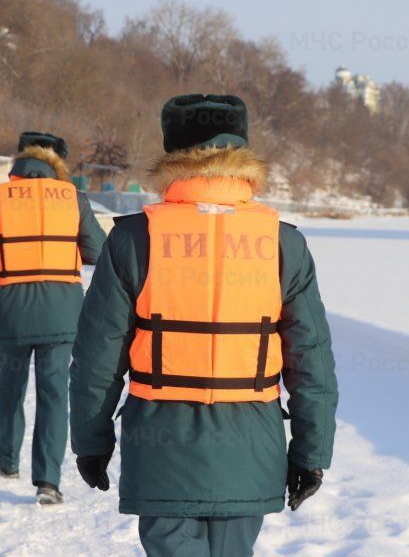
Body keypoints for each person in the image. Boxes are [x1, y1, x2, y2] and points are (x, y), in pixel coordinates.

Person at [69, 95, 338, 555]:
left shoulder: (133, 239)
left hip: (161, 449)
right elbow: (311, 360)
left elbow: (98, 357)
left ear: (172, 154)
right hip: (250, 447)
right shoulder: (282, 242)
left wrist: (91, 442)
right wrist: (311, 455)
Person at [0, 130, 106, 506]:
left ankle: (6, 459)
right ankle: (48, 482)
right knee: (55, 393)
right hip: (63, 314)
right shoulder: (75, 199)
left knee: (11, 385)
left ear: (20, 163)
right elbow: (100, 252)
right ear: (57, 165)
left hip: (10, 314)